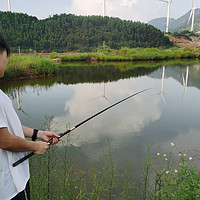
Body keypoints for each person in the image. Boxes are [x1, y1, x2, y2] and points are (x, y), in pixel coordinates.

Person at [0, 33, 60, 200]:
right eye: (6, 56)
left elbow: (8, 127)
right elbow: (4, 140)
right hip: (9, 186)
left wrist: (38, 134)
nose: (6, 61)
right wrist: (35, 146)